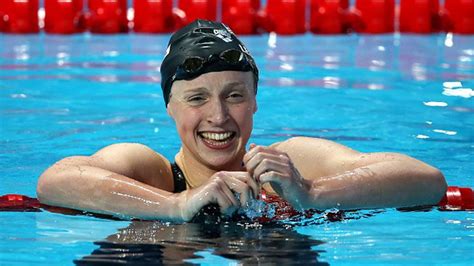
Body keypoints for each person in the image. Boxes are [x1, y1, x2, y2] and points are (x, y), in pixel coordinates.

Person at [36, 20, 447, 222]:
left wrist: (311, 192)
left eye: (235, 95)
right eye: (197, 98)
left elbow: (426, 180)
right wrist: (176, 205)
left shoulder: (288, 165)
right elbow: (56, 181)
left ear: (254, 103)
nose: (218, 116)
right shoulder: (151, 173)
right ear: (170, 107)